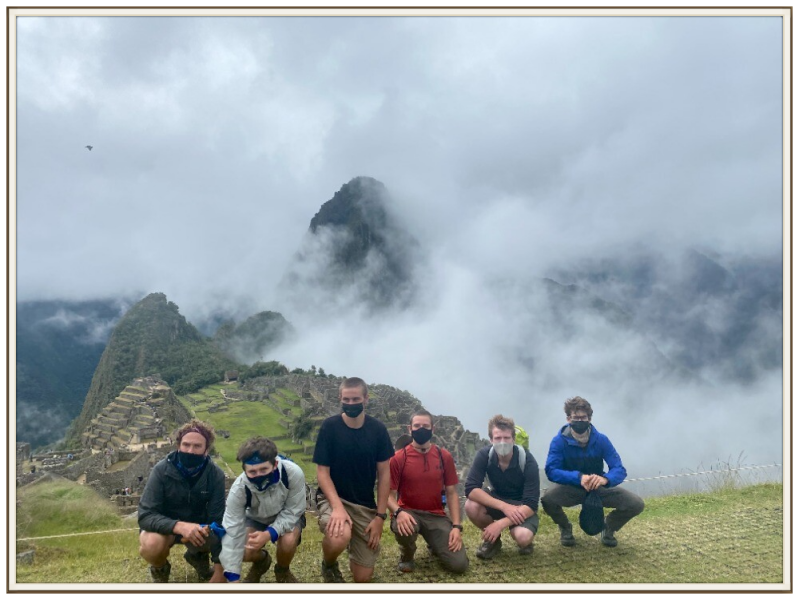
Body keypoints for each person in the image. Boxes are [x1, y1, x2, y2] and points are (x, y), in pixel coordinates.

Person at [312, 377, 394, 583]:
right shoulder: (329, 427)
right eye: (346, 399)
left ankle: (355, 544)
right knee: (339, 536)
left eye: (355, 399)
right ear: (340, 398)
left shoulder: (378, 430)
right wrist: (337, 507)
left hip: (363, 504)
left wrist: (380, 517)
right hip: (333, 498)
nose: (350, 404)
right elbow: (322, 472)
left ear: (366, 399)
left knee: (362, 578)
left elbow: (385, 475)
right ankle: (329, 564)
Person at [541, 396, 645, 547]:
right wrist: (578, 478)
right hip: (572, 487)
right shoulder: (559, 441)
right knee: (548, 499)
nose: (580, 421)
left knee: (636, 504)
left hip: (598, 487)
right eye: (576, 417)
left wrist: (606, 480)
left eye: (583, 417)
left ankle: (608, 527)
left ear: (589, 418)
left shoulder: (601, 440)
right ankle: (565, 527)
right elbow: (551, 470)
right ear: (568, 418)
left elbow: (619, 468)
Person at [138, 419, 226, 583]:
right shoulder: (161, 470)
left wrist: (220, 570)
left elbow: (218, 520)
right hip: (166, 529)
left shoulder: (215, 475)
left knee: (229, 533)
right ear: (178, 446)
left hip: (200, 531)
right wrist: (179, 526)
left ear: (206, 450)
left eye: (197, 446)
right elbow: (145, 515)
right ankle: (160, 569)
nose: (190, 451)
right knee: (151, 544)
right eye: (186, 445)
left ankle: (198, 556)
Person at [388, 410, 468, 574]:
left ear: (433, 429)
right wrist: (398, 512)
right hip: (409, 512)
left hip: (435, 514)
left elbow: (452, 492)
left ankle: (436, 545)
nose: (421, 429)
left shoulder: (443, 456)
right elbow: (388, 495)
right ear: (409, 429)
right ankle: (407, 555)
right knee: (404, 528)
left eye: (425, 426)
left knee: (459, 565)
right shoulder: (398, 459)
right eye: (417, 426)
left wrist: (456, 526)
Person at [220, 436, 306, 584]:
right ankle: (261, 561)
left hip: (286, 513)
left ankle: (282, 571)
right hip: (256, 517)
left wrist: (269, 534)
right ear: (244, 469)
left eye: (263, 469)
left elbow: (294, 510)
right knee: (243, 549)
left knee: (288, 541)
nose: (258, 475)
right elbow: (231, 525)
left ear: (275, 464)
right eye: (252, 472)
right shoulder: (239, 488)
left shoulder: (292, 473)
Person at [464, 414, 540, 560]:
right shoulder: (485, 455)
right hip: (498, 500)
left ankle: (525, 541)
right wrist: (504, 507)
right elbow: (471, 489)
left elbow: (531, 504)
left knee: (523, 537)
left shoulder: (527, 460)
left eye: (506, 438)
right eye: (498, 438)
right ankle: (494, 541)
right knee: (471, 506)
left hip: (521, 506)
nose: (502, 442)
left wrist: (500, 524)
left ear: (514, 439)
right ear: (491, 439)